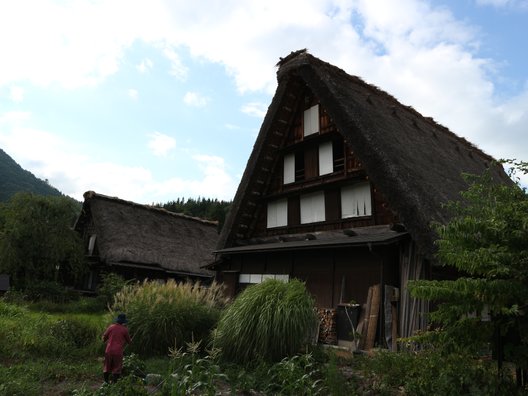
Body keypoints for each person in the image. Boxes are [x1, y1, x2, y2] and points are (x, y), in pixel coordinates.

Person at [102, 313, 132, 384]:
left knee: (107, 367)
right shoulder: (125, 330)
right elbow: (129, 342)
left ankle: (106, 382)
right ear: (124, 322)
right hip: (118, 352)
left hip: (108, 350)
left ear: (117, 320)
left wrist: (106, 340)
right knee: (117, 368)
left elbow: (104, 338)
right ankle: (115, 384)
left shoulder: (111, 327)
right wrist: (130, 341)